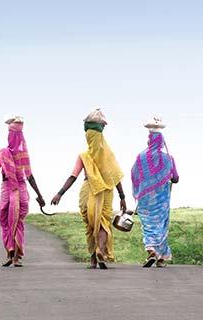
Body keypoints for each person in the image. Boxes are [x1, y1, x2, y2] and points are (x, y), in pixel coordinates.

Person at [51, 109, 127, 269]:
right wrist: (122, 196)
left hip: (88, 190)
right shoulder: (109, 154)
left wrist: (60, 193)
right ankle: (100, 250)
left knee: (91, 224)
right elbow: (115, 177)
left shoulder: (84, 155)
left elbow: (73, 176)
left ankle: (94, 257)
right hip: (107, 192)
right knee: (103, 222)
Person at [0, 116, 45, 267]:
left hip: (7, 190)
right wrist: (39, 196)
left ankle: (10, 252)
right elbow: (30, 176)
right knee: (18, 222)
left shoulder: (2, 153)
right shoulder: (23, 155)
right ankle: (16, 258)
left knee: (5, 221)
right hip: (21, 190)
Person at [131, 116, 179, 267]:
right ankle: (161, 259)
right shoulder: (168, 158)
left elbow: (134, 175)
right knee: (161, 225)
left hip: (145, 199)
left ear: (149, 141)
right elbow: (176, 178)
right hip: (162, 199)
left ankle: (151, 250)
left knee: (148, 225)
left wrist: (144, 186)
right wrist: (164, 177)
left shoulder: (140, 158)